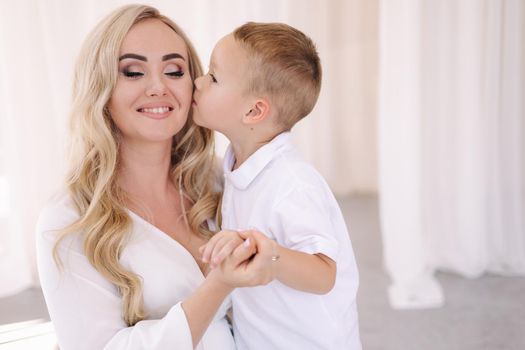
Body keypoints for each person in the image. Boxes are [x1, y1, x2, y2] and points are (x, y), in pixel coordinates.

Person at [36, 5, 274, 350]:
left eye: (175, 71)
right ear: (100, 88)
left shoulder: (217, 182)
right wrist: (218, 285)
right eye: (133, 72)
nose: (159, 87)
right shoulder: (68, 220)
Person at [193, 22, 362, 349]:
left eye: (213, 77)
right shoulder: (236, 166)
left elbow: (325, 273)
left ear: (254, 111)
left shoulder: (292, 184)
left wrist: (272, 256)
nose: (198, 82)